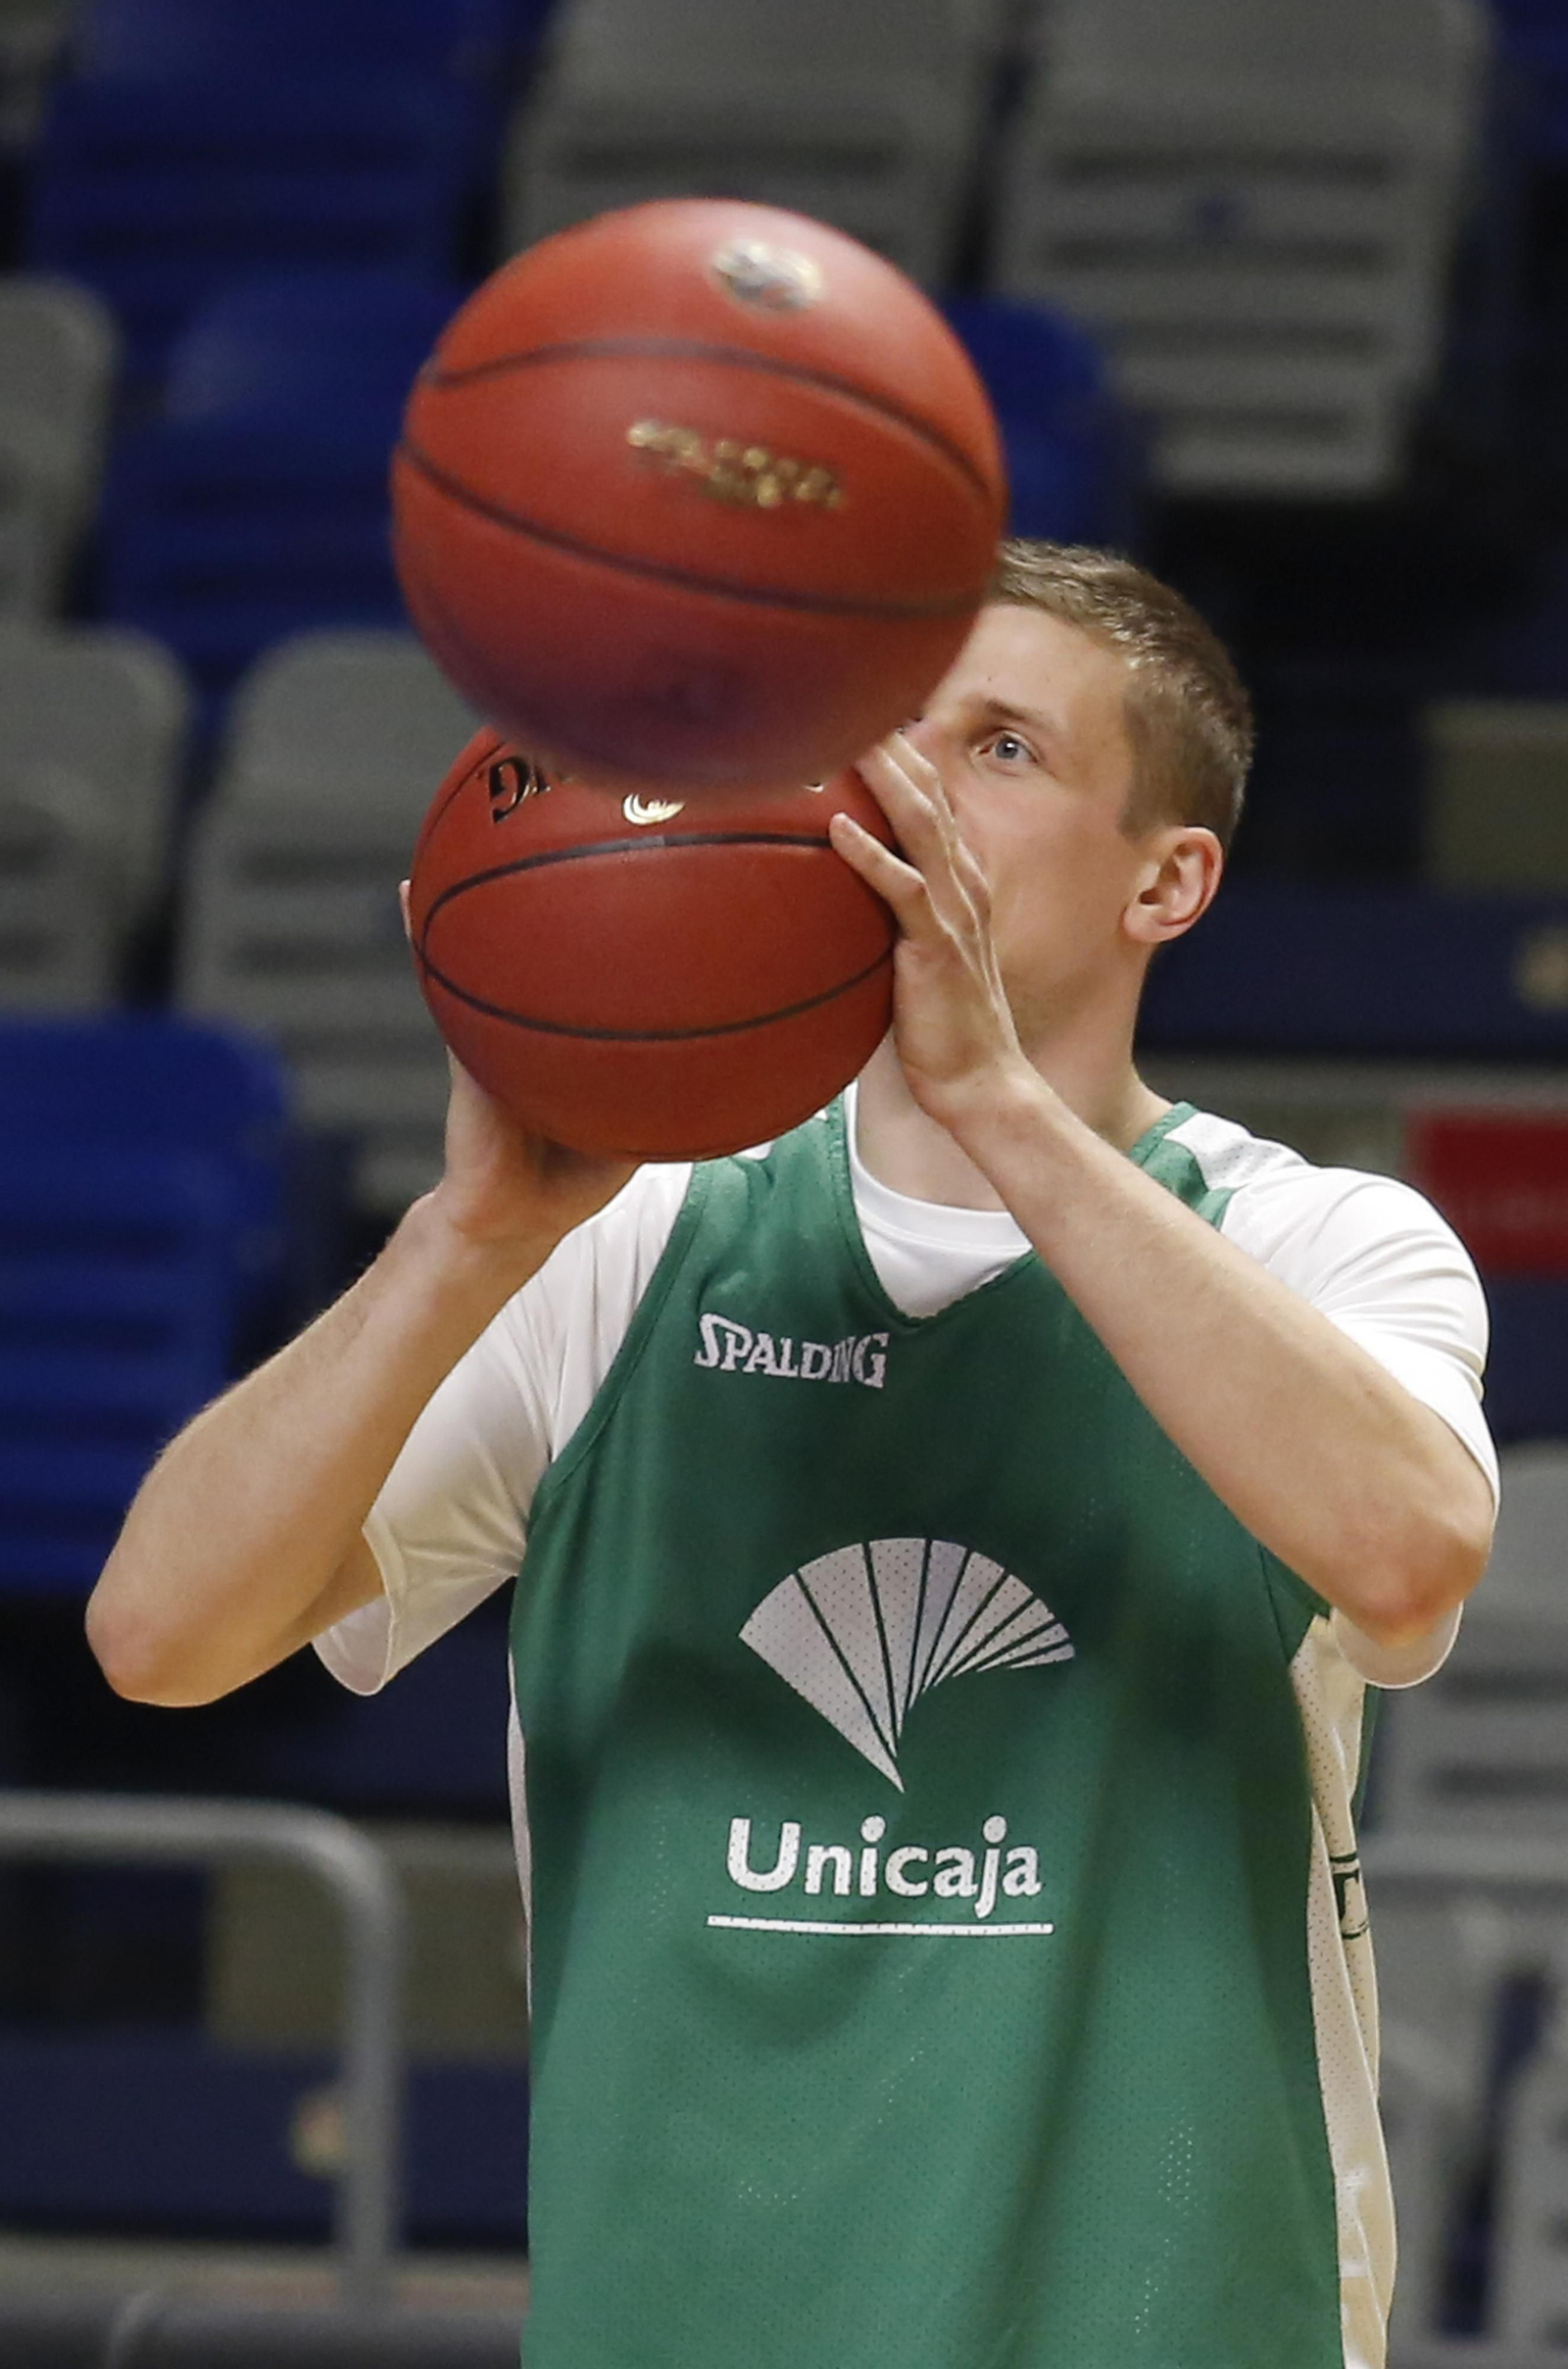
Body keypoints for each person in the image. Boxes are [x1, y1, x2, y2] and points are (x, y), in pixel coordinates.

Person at [86, 540, 1497, 2369]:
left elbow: (1408, 1554)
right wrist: (463, 1236)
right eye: (881, 733)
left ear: (1170, 876)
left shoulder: (1315, 1242)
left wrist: (994, 1099)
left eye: (997, 748)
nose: (900, 788)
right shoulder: (620, 1245)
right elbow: (162, 1635)